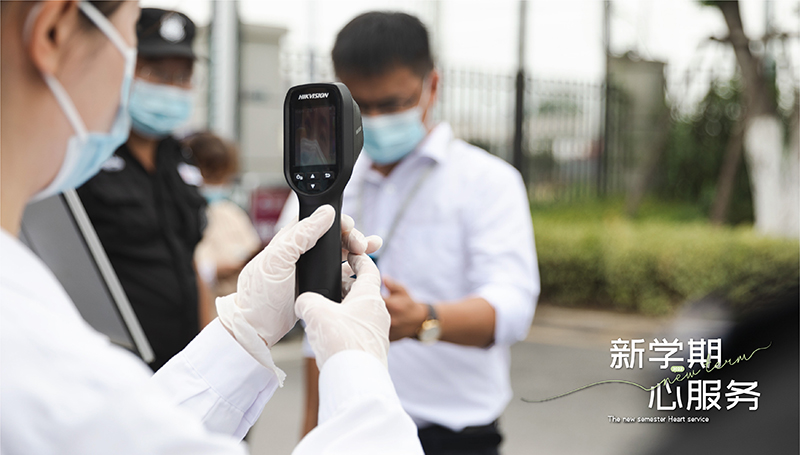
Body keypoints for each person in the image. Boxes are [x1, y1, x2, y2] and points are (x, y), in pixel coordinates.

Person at [0, 2, 423, 454]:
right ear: (54, 31)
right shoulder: (39, 356)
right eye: (129, 48)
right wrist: (359, 375)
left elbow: (135, 433)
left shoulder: (30, 326)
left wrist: (243, 332)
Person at [300, 12, 540, 454]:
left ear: (433, 85)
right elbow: (314, 327)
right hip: (347, 433)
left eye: (393, 104)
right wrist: (310, 431)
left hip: (451, 435)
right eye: (361, 106)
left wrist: (425, 319)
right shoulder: (320, 182)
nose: (375, 119)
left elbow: (511, 306)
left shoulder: (487, 181)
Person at [76, 8, 212, 370]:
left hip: (182, 364)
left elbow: (190, 259)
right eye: (156, 72)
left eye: (182, 76)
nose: (171, 87)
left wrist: (211, 352)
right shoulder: (84, 153)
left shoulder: (181, 158)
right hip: (110, 366)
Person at [187, 132, 262, 299]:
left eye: (221, 177)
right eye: (210, 175)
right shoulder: (181, 213)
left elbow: (255, 253)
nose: (217, 183)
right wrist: (212, 270)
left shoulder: (232, 213)